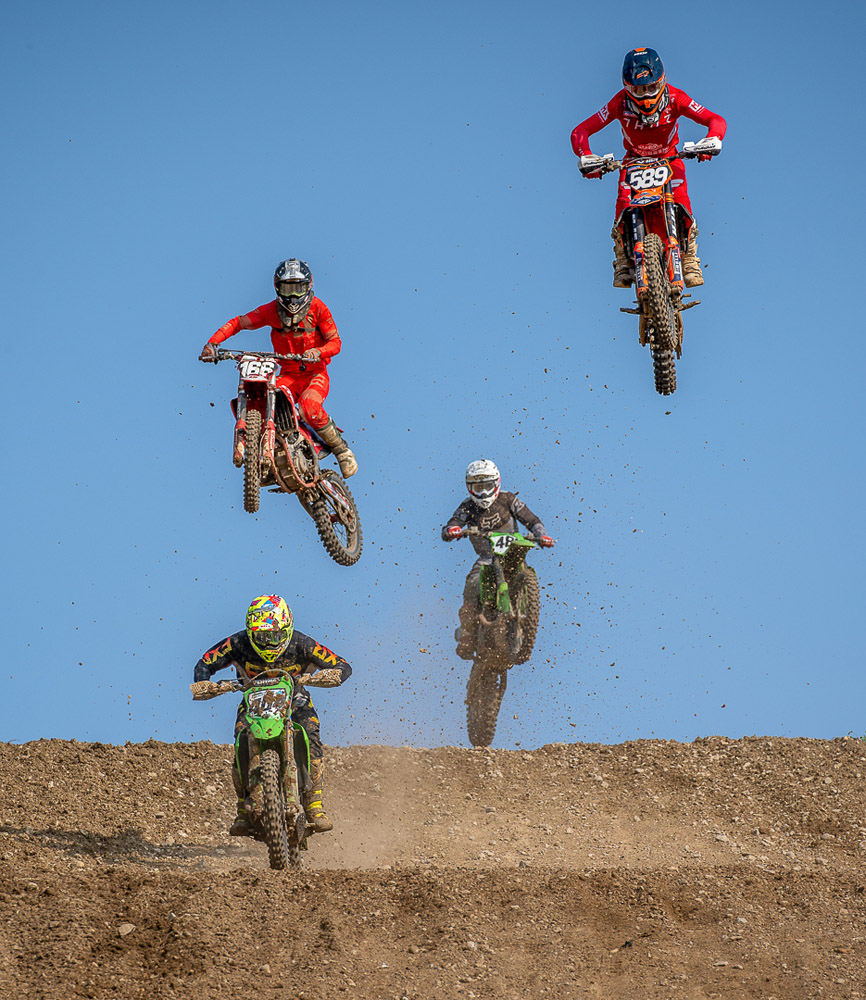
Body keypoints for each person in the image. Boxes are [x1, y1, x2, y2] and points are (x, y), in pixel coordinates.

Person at [191, 595, 351, 835]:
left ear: (286, 629)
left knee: (310, 733)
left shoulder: (302, 643)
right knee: (241, 739)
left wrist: (328, 676)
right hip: (253, 702)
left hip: (295, 700)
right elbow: (204, 663)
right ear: (250, 633)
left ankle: (314, 804)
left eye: (274, 636)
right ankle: (242, 808)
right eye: (261, 637)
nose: (268, 643)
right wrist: (205, 684)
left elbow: (342, 664)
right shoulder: (238, 643)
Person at [571, 47, 726, 288]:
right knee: (623, 206)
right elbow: (581, 131)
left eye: (651, 88)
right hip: (633, 161)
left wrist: (712, 139)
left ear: (662, 82)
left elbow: (714, 119)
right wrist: (587, 156)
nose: (645, 97)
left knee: (682, 203)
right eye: (638, 90)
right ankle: (622, 260)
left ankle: (689, 259)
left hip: (669, 158)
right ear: (627, 87)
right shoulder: (619, 103)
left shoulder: (676, 98)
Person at [199, 259, 358, 478]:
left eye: (298, 289)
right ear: (277, 288)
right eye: (287, 289)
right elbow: (239, 322)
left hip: (314, 374)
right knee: (265, 397)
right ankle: (270, 451)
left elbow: (335, 342)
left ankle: (342, 450)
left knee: (309, 406)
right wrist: (212, 344)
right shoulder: (271, 311)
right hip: (288, 375)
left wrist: (318, 352)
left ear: (308, 286)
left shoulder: (318, 308)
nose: (293, 297)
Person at [441, 460, 555, 660]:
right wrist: (452, 530)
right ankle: (467, 634)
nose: (484, 491)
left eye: (487, 485)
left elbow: (531, 520)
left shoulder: (508, 499)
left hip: (513, 551)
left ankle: (525, 613)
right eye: (479, 487)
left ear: (496, 483)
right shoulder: (467, 507)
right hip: (487, 558)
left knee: (525, 570)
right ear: (470, 488)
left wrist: (542, 535)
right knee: (473, 582)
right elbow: (452, 523)